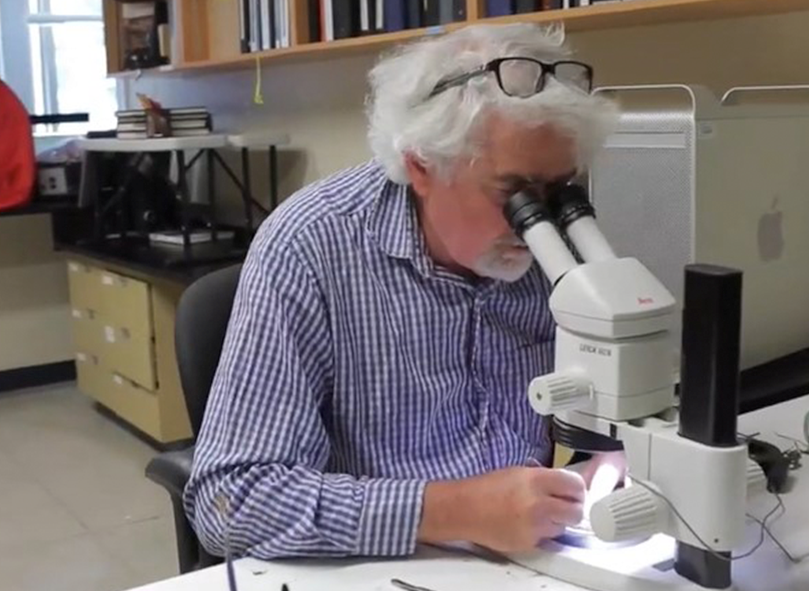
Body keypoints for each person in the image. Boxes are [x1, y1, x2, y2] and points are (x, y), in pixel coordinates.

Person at [184, 23, 621, 560]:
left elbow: (615, 415)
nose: (539, 224)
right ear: (421, 165)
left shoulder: (561, 246)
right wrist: (455, 510)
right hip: (380, 564)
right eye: (515, 193)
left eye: (559, 191)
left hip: (532, 557)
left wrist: (613, 460)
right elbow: (230, 502)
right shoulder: (312, 244)